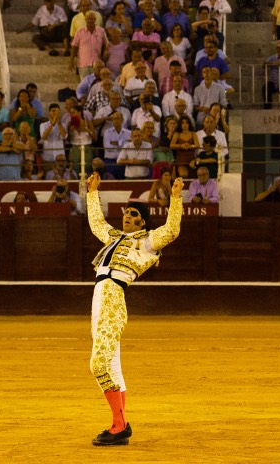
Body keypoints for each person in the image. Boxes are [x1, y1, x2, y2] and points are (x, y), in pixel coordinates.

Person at [85, 171, 183, 447]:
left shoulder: (147, 241)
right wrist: (92, 193)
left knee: (99, 364)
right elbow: (97, 223)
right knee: (113, 366)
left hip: (113, 295)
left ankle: (120, 426)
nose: (127, 216)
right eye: (126, 213)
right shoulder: (113, 236)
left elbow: (171, 231)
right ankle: (119, 426)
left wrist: (176, 199)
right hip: (100, 295)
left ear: (143, 221)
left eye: (133, 214)